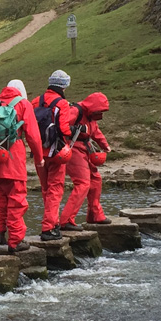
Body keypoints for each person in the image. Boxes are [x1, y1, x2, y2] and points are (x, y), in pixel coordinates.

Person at [0, 79, 44, 253]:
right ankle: (15, 240)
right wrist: (39, 158)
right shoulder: (23, 104)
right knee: (17, 200)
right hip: (14, 158)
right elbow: (33, 136)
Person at [32, 70, 74, 240]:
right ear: (64, 86)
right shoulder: (62, 104)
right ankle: (49, 228)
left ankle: (53, 222)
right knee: (55, 189)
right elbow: (64, 129)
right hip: (56, 152)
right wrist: (76, 130)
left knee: (46, 189)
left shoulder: (35, 101)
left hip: (38, 153)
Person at [60, 92, 112, 231]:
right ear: (93, 107)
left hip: (85, 148)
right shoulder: (76, 110)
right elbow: (61, 126)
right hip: (73, 148)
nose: (100, 114)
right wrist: (74, 129)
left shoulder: (90, 114)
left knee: (96, 180)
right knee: (82, 183)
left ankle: (95, 215)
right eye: (99, 111)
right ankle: (66, 220)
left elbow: (95, 131)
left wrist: (104, 145)